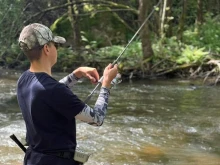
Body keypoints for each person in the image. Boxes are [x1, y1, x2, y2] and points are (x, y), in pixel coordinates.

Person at [17, 23, 118, 165]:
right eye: (55, 45)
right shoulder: (53, 90)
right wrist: (106, 84)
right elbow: (97, 118)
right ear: (46, 48)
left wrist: (76, 74)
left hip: (33, 159)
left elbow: (49, 93)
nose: (56, 49)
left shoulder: (24, 79)